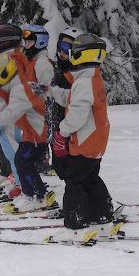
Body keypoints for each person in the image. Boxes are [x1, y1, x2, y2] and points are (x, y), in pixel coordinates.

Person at [30, 34, 115, 242]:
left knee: (74, 182)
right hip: (96, 141)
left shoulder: (84, 82)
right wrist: (49, 91)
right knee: (90, 179)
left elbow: (77, 114)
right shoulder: (91, 78)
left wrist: (62, 132)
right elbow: (70, 98)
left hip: (85, 141)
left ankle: (75, 227)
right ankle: (102, 221)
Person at [0, 52, 47, 211]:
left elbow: (11, 115)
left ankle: (35, 197)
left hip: (37, 134)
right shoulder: (13, 85)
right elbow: (6, 96)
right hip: (31, 133)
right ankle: (37, 193)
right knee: (22, 161)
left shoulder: (19, 90)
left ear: (4, 75)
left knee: (22, 161)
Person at [47, 27, 84, 181]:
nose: (62, 52)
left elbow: (73, 104)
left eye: (67, 48)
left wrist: (63, 135)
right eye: (60, 47)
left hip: (68, 132)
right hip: (55, 128)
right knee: (61, 169)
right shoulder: (59, 70)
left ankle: (81, 202)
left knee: (73, 172)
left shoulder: (76, 74)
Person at [23, 25, 54, 174]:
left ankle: (42, 163)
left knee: (39, 136)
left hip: (40, 109)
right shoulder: (31, 61)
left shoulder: (42, 63)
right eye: (25, 42)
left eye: (29, 42)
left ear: (40, 42)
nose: (26, 45)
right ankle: (36, 161)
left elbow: (47, 88)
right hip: (30, 109)